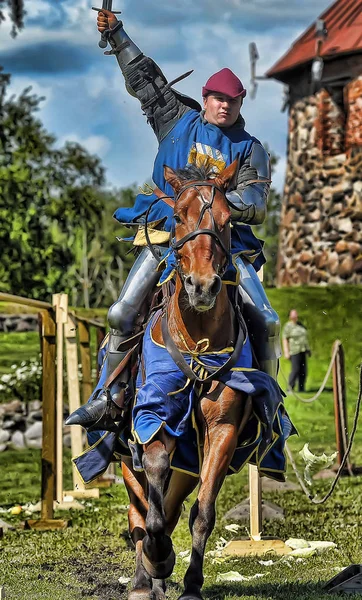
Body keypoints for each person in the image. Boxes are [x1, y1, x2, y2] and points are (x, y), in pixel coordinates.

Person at [66, 8, 281, 431]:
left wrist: (209, 203)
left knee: (268, 319)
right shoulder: (175, 121)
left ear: (240, 103)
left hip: (222, 246)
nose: (224, 105)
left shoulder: (250, 149)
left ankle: (266, 406)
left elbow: (255, 203)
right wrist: (118, 35)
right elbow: (146, 81)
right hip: (167, 235)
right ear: (205, 98)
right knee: (122, 311)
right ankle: (108, 397)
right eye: (218, 98)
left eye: (232, 100)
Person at [282, 309, 311, 392]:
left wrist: (308, 350)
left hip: (303, 350)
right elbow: (285, 339)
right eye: (293, 314)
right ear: (290, 316)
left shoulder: (300, 325)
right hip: (294, 351)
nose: (295, 316)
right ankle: (290, 388)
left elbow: (304, 338)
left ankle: (301, 388)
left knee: (303, 371)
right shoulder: (288, 326)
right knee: (295, 370)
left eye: (296, 314)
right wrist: (286, 352)